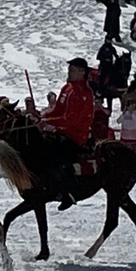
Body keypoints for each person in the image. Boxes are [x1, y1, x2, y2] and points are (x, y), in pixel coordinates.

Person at [42, 58, 96, 209]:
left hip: (76, 135)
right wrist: (42, 117)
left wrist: (49, 122)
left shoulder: (84, 93)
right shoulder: (67, 88)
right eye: (70, 70)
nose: (69, 72)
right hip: (62, 131)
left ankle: (70, 191)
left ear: (81, 72)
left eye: (72, 70)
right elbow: (58, 109)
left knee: (58, 154)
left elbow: (71, 119)